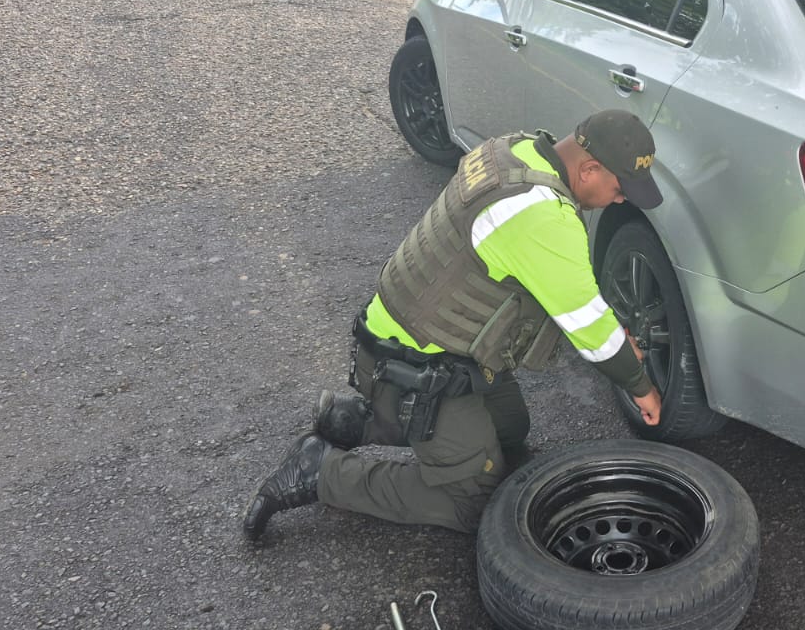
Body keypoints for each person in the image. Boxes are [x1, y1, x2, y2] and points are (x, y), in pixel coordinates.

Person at [243, 109, 666, 541]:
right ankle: (323, 471)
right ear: (589, 168)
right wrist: (640, 386)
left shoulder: (514, 149)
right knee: (474, 498)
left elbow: (578, 304)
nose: (619, 200)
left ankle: (355, 421)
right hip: (416, 365)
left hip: (423, 338)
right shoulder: (543, 217)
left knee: (510, 430)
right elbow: (591, 328)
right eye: (619, 189)